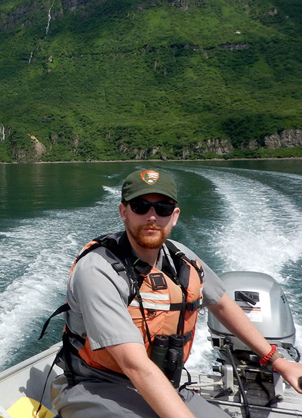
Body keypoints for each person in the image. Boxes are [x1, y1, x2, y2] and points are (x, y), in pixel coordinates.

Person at [49, 169, 302, 418]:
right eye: (140, 206)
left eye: (163, 208)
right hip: (96, 386)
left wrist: (277, 361)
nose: (152, 217)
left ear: (174, 216)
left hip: (164, 382)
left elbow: (223, 306)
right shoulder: (98, 269)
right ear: (123, 212)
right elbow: (134, 365)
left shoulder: (182, 258)